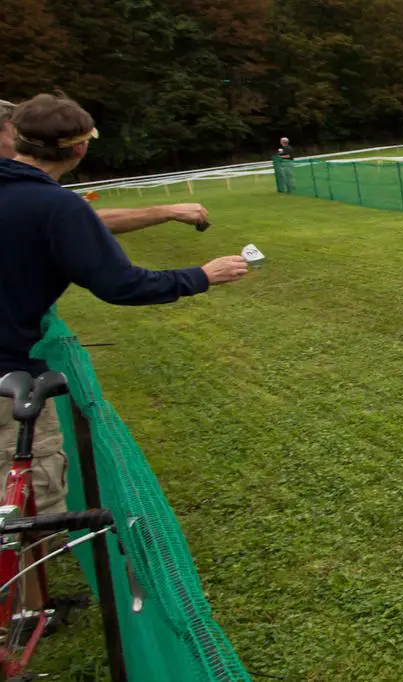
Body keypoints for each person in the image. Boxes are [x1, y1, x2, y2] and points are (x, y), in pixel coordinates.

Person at [0, 92, 250, 617]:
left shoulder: (36, 199)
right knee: (22, 507)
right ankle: (18, 618)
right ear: (79, 152)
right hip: (6, 376)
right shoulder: (53, 204)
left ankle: (31, 606)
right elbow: (118, 283)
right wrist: (201, 276)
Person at [1, 97, 211, 234]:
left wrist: (167, 211)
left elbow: (74, 220)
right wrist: (204, 275)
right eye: (15, 136)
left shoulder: (21, 185)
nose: (23, 144)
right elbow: (119, 282)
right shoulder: (22, 189)